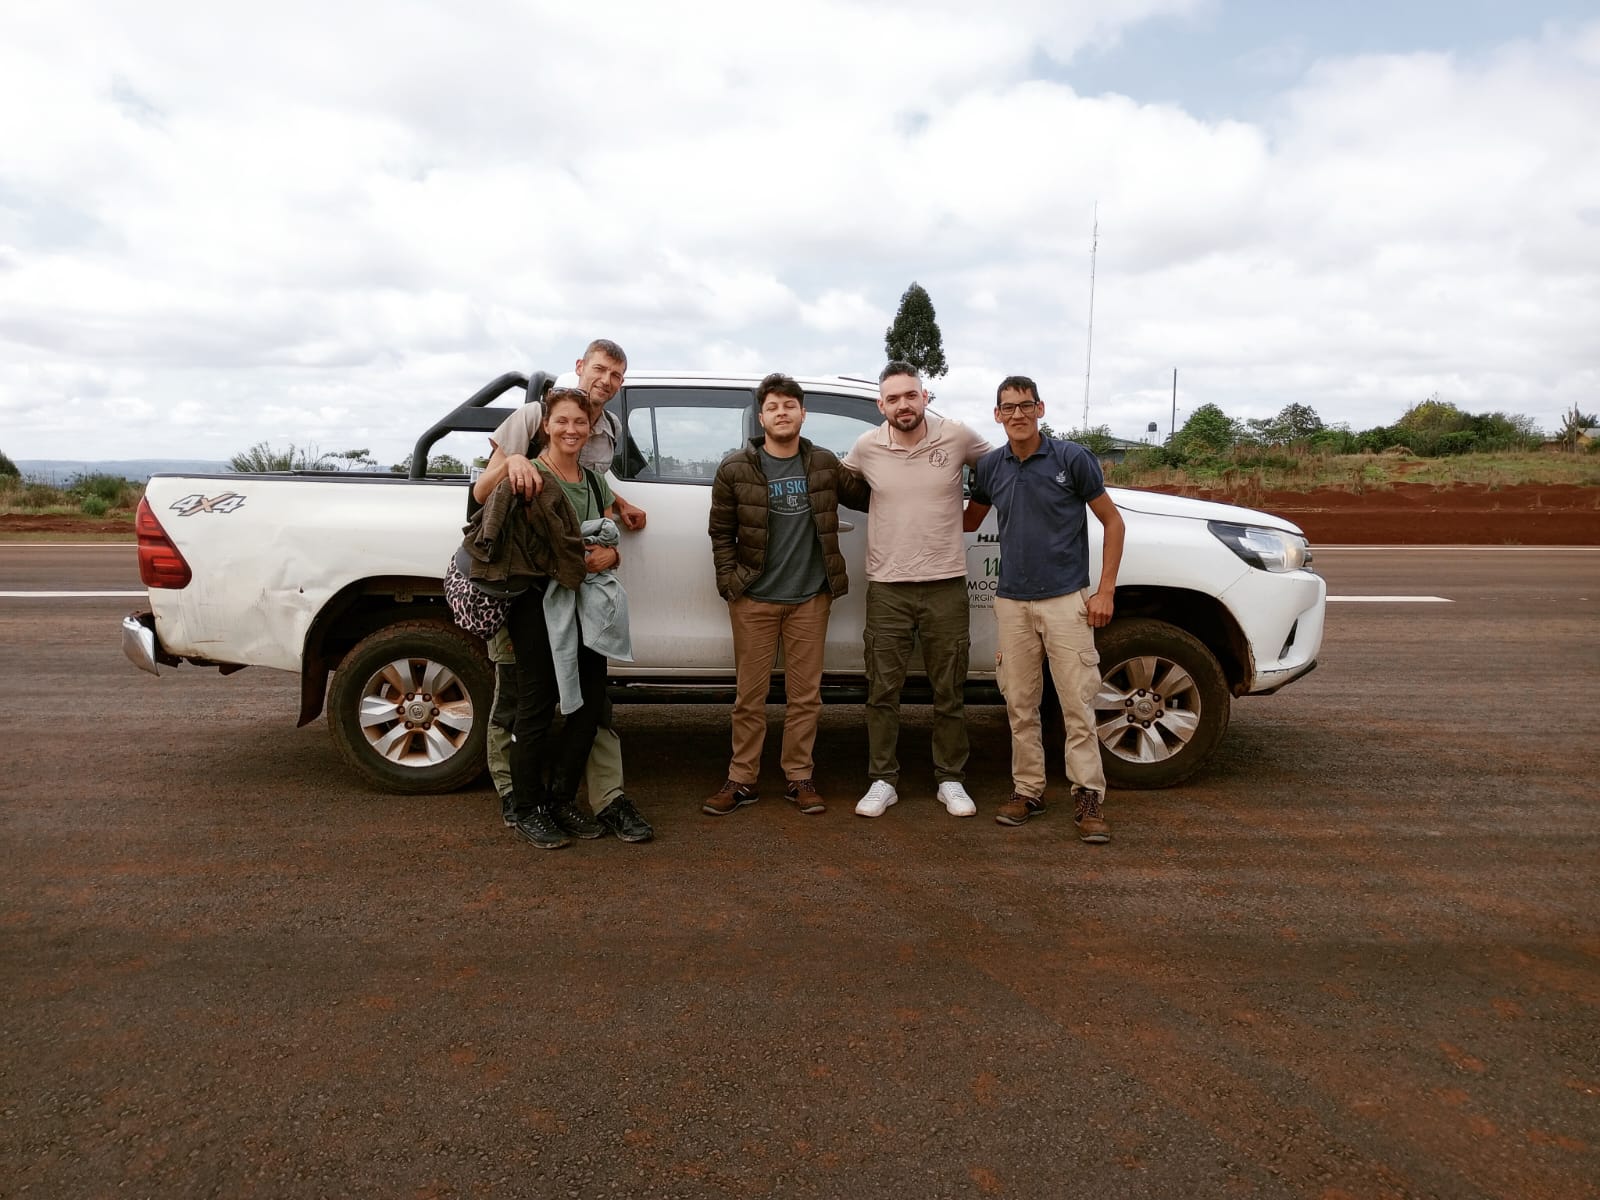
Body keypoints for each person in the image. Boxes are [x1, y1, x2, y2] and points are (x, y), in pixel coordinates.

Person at [472, 339, 652, 843]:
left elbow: (603, 530)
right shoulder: (528, 469)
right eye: (562, 422)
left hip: (586, 601)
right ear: (546, 426)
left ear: (591, 430)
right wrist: (512, 462)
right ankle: (526, 806)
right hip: (534, 599)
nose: (572, 429)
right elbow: (483, 500)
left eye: (580, 424)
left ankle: (559, 800)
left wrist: (612, 552)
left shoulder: (594, 479)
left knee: (589, 705)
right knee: (533, 703)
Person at [704, 373, 870, 817]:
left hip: (810, 599)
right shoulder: (735, 468)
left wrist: (892, 450)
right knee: (749, 698)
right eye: (773, 407)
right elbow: (720, 532)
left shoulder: (824, 463)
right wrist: (731, 585)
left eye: (789, 405)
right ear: (761, 418)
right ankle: (742, 779)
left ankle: (799, 777)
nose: (782, 413)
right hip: (754, 598)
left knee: (805, 698)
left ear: (803, 413)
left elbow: (871, 496)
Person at [969, 375, 1125, 842]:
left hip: (1065, 600)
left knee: (1077, 704)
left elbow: (1113, 522)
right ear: (997, 415)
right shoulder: (991, 467)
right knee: (1020, 704)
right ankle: (1028, 790)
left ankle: (1088, 796)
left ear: (1040, 409)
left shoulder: (1071, 458)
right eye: (1008, 407)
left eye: (1025, 405)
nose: (1017, 414)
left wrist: (1105, 591)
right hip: (1012, 602)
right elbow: (967, 520)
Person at [840, 361, 992, 819]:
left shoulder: (957, 436)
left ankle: (951, 779)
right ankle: (882, 780)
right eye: (893, 398)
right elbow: (841, 485)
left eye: (911, 395)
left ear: (925, 397)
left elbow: (998, 468)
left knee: (950, 689)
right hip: (888, 588)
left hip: (945, 584)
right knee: (883, 691)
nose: (903, 405)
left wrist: (973, 515)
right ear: (881, 405)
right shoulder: (866, 447)